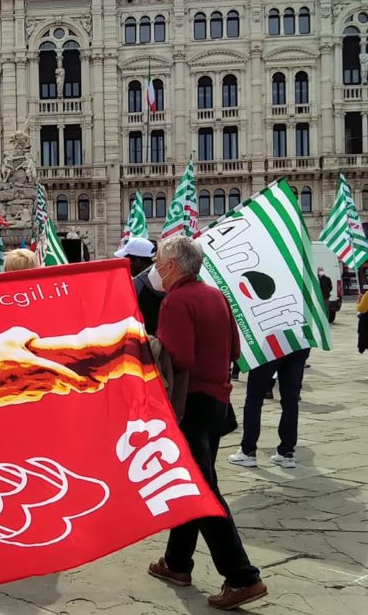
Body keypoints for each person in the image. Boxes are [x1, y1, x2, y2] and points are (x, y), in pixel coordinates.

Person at [146, 236, 266, 610]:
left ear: (171, 266)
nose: (157, 269)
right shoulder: (215, 296)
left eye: (159, 262)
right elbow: (234, 350)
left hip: (191, 405)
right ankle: (177, 563)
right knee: (194, 483)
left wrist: (150, 344)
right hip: (218, 401)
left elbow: (178, 357)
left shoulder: (177, 301)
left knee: (202, 492)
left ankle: (243, 577)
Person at [228, 347, 310, 470]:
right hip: (296, 343)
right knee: (291, 400)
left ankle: (248, 450)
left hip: (268, 344)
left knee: (254, 398)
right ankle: (286, 452)